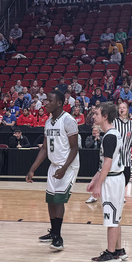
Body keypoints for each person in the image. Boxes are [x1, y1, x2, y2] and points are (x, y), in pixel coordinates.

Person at [25, 89, 80, 252]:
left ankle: (58, 237)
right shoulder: (48, 122)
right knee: (50, 199)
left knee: (58, 199)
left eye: (49, 100)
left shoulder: (68, 121)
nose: (45, 103)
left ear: (59, 103)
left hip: (68, 166)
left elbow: (75, 148)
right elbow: (44, 149)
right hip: (54, 165)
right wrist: (32, 169)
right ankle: (53, 231)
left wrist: (64, 168)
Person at [88, 103, 128, 262]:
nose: (93, 116)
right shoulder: (114, 134)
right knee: (116, 216)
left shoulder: (109, 136)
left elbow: (107, 163)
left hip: (112, 180)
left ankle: (110, 253)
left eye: (96, 114)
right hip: (117, 177)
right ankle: (119, 250)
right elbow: (104, 163)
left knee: (111, 218)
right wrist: (94, 180)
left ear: (105, 116)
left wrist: (98, 185)